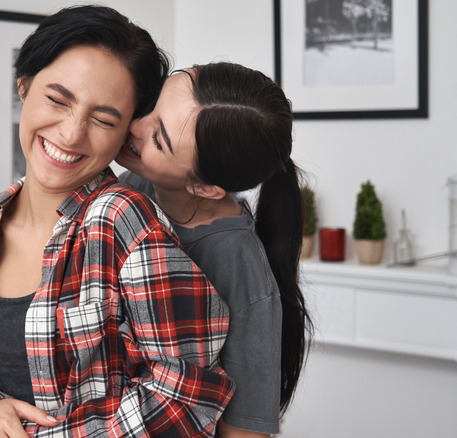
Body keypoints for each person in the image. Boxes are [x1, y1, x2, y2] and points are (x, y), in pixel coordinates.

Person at [0, 6, 234, 438]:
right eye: (57, 99)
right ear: (24, 84)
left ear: (126, 135)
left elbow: (187, 395)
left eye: (103, 119)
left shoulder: (120, 221)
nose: (70, 134)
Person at [116, 62, 312, 437]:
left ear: (206, 188)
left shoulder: (240, 270)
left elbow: (244, 431)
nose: (135, 124)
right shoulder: (133, 187)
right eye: (154, 103)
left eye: (159, 139)